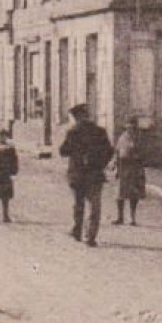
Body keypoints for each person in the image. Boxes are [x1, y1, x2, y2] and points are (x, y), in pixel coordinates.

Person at [59, 103, 113, 247]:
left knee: (79, 204)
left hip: (77, 174)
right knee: (94, 206)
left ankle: (78, 231)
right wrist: (100, 164)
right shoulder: (99, 131)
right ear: (88, 115)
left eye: (76, 117)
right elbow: (109, 151)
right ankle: (90, 236)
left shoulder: (73, 132)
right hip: (94, 174)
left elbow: (63, 151)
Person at [111, 116, 146, 226]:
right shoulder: (122, 137)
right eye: (128, 126)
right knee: (120, 194)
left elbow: (144, 153)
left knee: (133, 194)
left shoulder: (139, 137)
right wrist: (115, 164)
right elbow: (117, 151)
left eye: (133, 126)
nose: (130, 128)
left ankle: (132, 217)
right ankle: (120, 217)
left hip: (135, 168)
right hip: (122, 167)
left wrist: (138, 158)